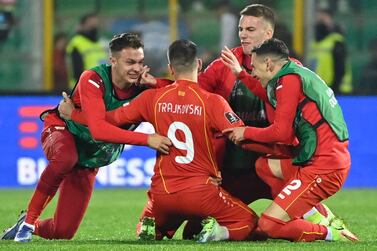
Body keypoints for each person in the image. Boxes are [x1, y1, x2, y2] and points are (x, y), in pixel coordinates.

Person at [136, 5, 345, 240]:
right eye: (240, 28)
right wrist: (159, 85)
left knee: (274, 221)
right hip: (234, 167)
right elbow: (192, 90)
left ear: (268, 34)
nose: (243, 34)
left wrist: (248, 133)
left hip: (273, 163)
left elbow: (284, 131)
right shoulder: (226, 62)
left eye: (250, 29)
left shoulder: (287, 70)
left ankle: (320, 218)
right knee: (193, 232)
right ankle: (301, 220)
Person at [64, 39, 260, 242]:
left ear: (170, 68)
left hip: (162, 194)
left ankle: (148, 224)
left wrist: (74, 115)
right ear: (199, 64)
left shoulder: (152, 98)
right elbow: (241, 136)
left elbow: (111, 119)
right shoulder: (213, 102)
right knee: (249, 221)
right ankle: (217, 232)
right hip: (201, 192)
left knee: (153, 223)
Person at [1, 33, 171, 243]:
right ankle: (29, 222)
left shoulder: (144, 88)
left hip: (89, 158)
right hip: (62, 130)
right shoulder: (93, 78)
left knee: (62, 231)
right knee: (65, 158)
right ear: (113, 60)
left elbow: (180, 92)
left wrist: (156, 82)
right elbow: (99, 130)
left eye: (139, 62)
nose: (136, 68)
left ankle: (27, 225)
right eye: (130, 62)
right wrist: (147, 139)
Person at [221, 38, 358, 242]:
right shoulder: (292, 74)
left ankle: (332, 234)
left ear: (268, 64)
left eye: (255, 68)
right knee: (264, 165)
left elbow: (281, 133)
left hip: (324, 167)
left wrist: (247, 132)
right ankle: (319, 216)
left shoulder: (289, 80)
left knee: (268, 226)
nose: (254, 74)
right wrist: (240, 74)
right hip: (321, 158)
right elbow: (268, 96)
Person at [308, 8, 352, 95]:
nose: (320, 22)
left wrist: (333, 89)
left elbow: (340, 68)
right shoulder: (314, 44)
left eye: (323, 19)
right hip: (320, 90)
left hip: (337, 91)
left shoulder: (336, 41)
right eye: (318, 19)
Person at [66, 12, 107, 89]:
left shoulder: (99, 44)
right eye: (91, 25)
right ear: (82, 26)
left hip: (99, 88)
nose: (94, 27)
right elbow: (77, 71)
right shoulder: (77, 43)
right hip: (82, 89)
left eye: (96, 24)